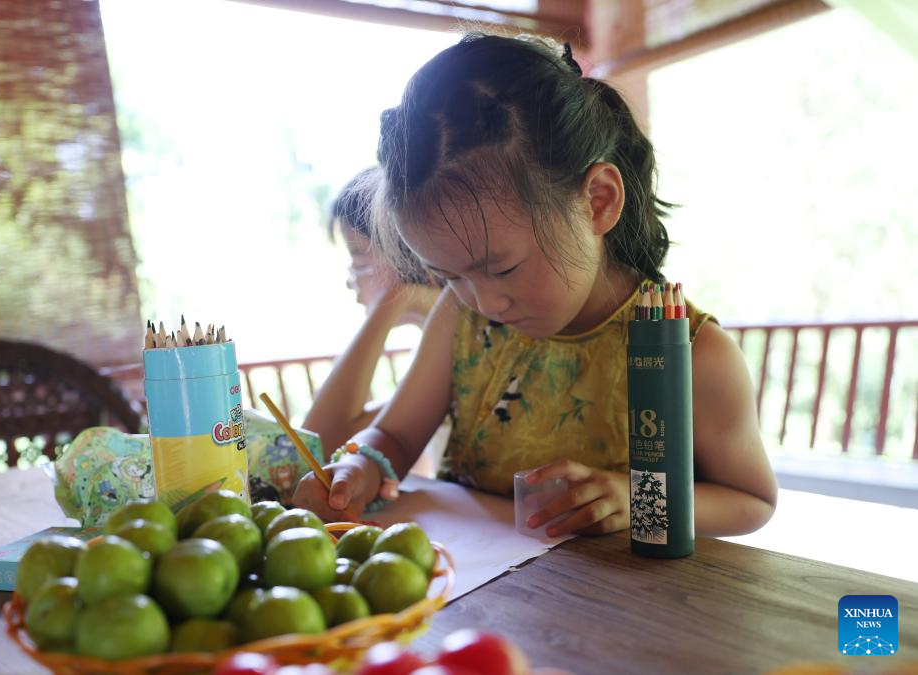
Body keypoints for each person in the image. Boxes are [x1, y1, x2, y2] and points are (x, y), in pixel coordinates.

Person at [293, 33, 777, 538]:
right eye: (452, 276)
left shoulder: (691, 352)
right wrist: (363, 465)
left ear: (598, 202)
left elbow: (751, 500)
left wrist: (637, 498)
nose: (485, 302)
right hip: (485, 599)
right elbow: (393, 435)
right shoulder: (461, 320)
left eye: (501, 269)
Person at [303, 168, 440, 459]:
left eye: (358, 259)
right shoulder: (436, 343)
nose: (349, 280)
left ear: (407, 251)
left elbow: (321, 444)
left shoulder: (464, 337)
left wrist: (394, 299)